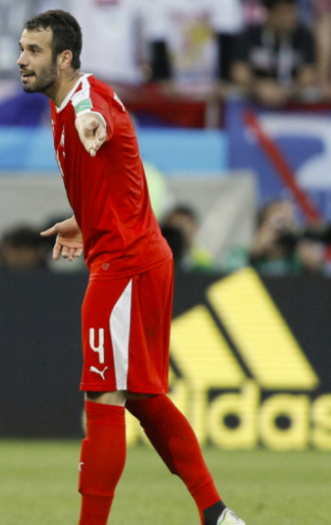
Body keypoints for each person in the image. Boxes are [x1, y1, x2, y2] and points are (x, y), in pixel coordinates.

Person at [17, 11, 245, 525]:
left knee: (104, 398)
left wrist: (90, 127)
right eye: (22, 48)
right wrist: (84, 219)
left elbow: (94, 121)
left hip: (123, 267)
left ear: (64, 58)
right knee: (144, 397)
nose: (21, 60)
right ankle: (216, 514)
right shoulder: (65, 102)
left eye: (33, 51)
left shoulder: (84, 103)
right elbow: (115, 174)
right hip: (138, 258)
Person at [231, 0, 317, 106]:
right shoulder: (250, 35)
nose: (291, 17)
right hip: (254, 103)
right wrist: (259, 86)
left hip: (292, 104)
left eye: (293, 11)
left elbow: (308, 74)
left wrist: (287, 89)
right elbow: (239, 72)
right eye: (285, 12)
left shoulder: (304, 36)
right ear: (271, 13)